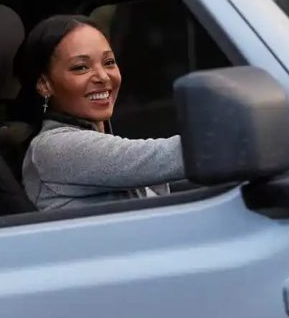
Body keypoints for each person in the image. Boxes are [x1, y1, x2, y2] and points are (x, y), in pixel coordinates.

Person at [19, 15, 184, 211]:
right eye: (81, 67)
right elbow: (164, 158)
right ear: (44, 85)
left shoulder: (92, 137)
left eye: (108, 62)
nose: (103, 77)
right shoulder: (52, 147)